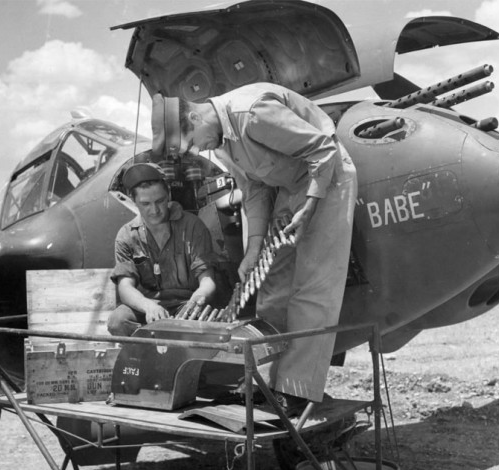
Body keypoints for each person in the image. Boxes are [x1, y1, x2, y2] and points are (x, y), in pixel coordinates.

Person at [150, 83, 357, 413]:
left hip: (327, 181)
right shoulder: (220, 147)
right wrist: (253, 250)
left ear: (194, 116)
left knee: (311, 288)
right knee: (272, 285)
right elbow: (256, 191)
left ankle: (297, 390)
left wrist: (311, 205)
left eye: (191, 144)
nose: (197, 152)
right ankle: (264, 383)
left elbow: (323, 151)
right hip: (291, 188)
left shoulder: (253, 113)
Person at [107, 162, 216, 336]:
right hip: (148, 307)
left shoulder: (192, 225)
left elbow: (207, 279)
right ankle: (149, 352)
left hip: (187, 304)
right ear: (133, 201)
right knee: (118, 322)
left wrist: (199, 297)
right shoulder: (126, 235)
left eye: (159, 201)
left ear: (168, 196)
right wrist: (147, 305)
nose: (154, 210)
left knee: (207, 325)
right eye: (146, 204)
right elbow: (125, 287)